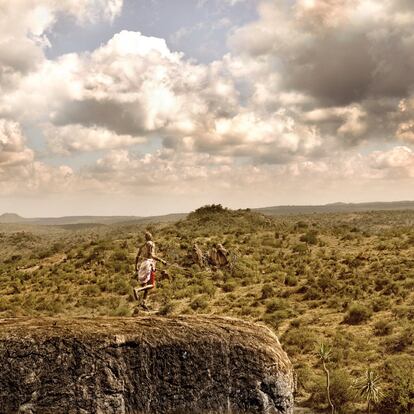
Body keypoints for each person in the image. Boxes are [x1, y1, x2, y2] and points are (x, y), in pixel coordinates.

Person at [133, 231, 166, 311]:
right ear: (151, 237)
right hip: (149, 264)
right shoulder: (151, 244)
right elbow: (152, 255)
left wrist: (136, 267)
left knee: (146, 287)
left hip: (142, 265)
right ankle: (137, 290)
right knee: (152, 284)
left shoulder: (142, 246)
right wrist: (162, 260)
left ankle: (143, 303)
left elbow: (137, 257)